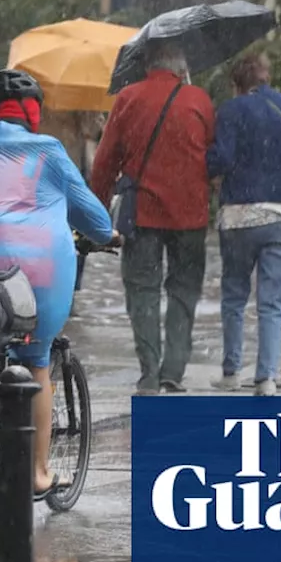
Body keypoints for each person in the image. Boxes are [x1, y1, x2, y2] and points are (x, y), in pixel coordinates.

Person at [0, 69, 115, 498]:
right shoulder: (48, 151)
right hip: (32, 281)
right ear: (34, 112)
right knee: (35, 360)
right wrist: (109, 236)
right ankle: (36, 472)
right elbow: (96, 221)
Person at [91, 43, 216, 395]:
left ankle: (148, 372)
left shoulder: (128, 97)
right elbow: (212, 153)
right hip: (190, 215)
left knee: (142, 292)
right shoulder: (200, 100)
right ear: (180, 67)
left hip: (142, 214)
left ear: (147, 65)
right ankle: (173, 370)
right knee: (183, 291)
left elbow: (104, 162)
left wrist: (97, 212)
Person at [206, 53, 281, 396]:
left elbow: (222, 158)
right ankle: (266, 378)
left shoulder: (230, 110)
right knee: (273, 303)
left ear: (236, 83)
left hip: (240, 215)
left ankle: (231, 372)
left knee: (234, 296)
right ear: (267, 77)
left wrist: (207, 166)